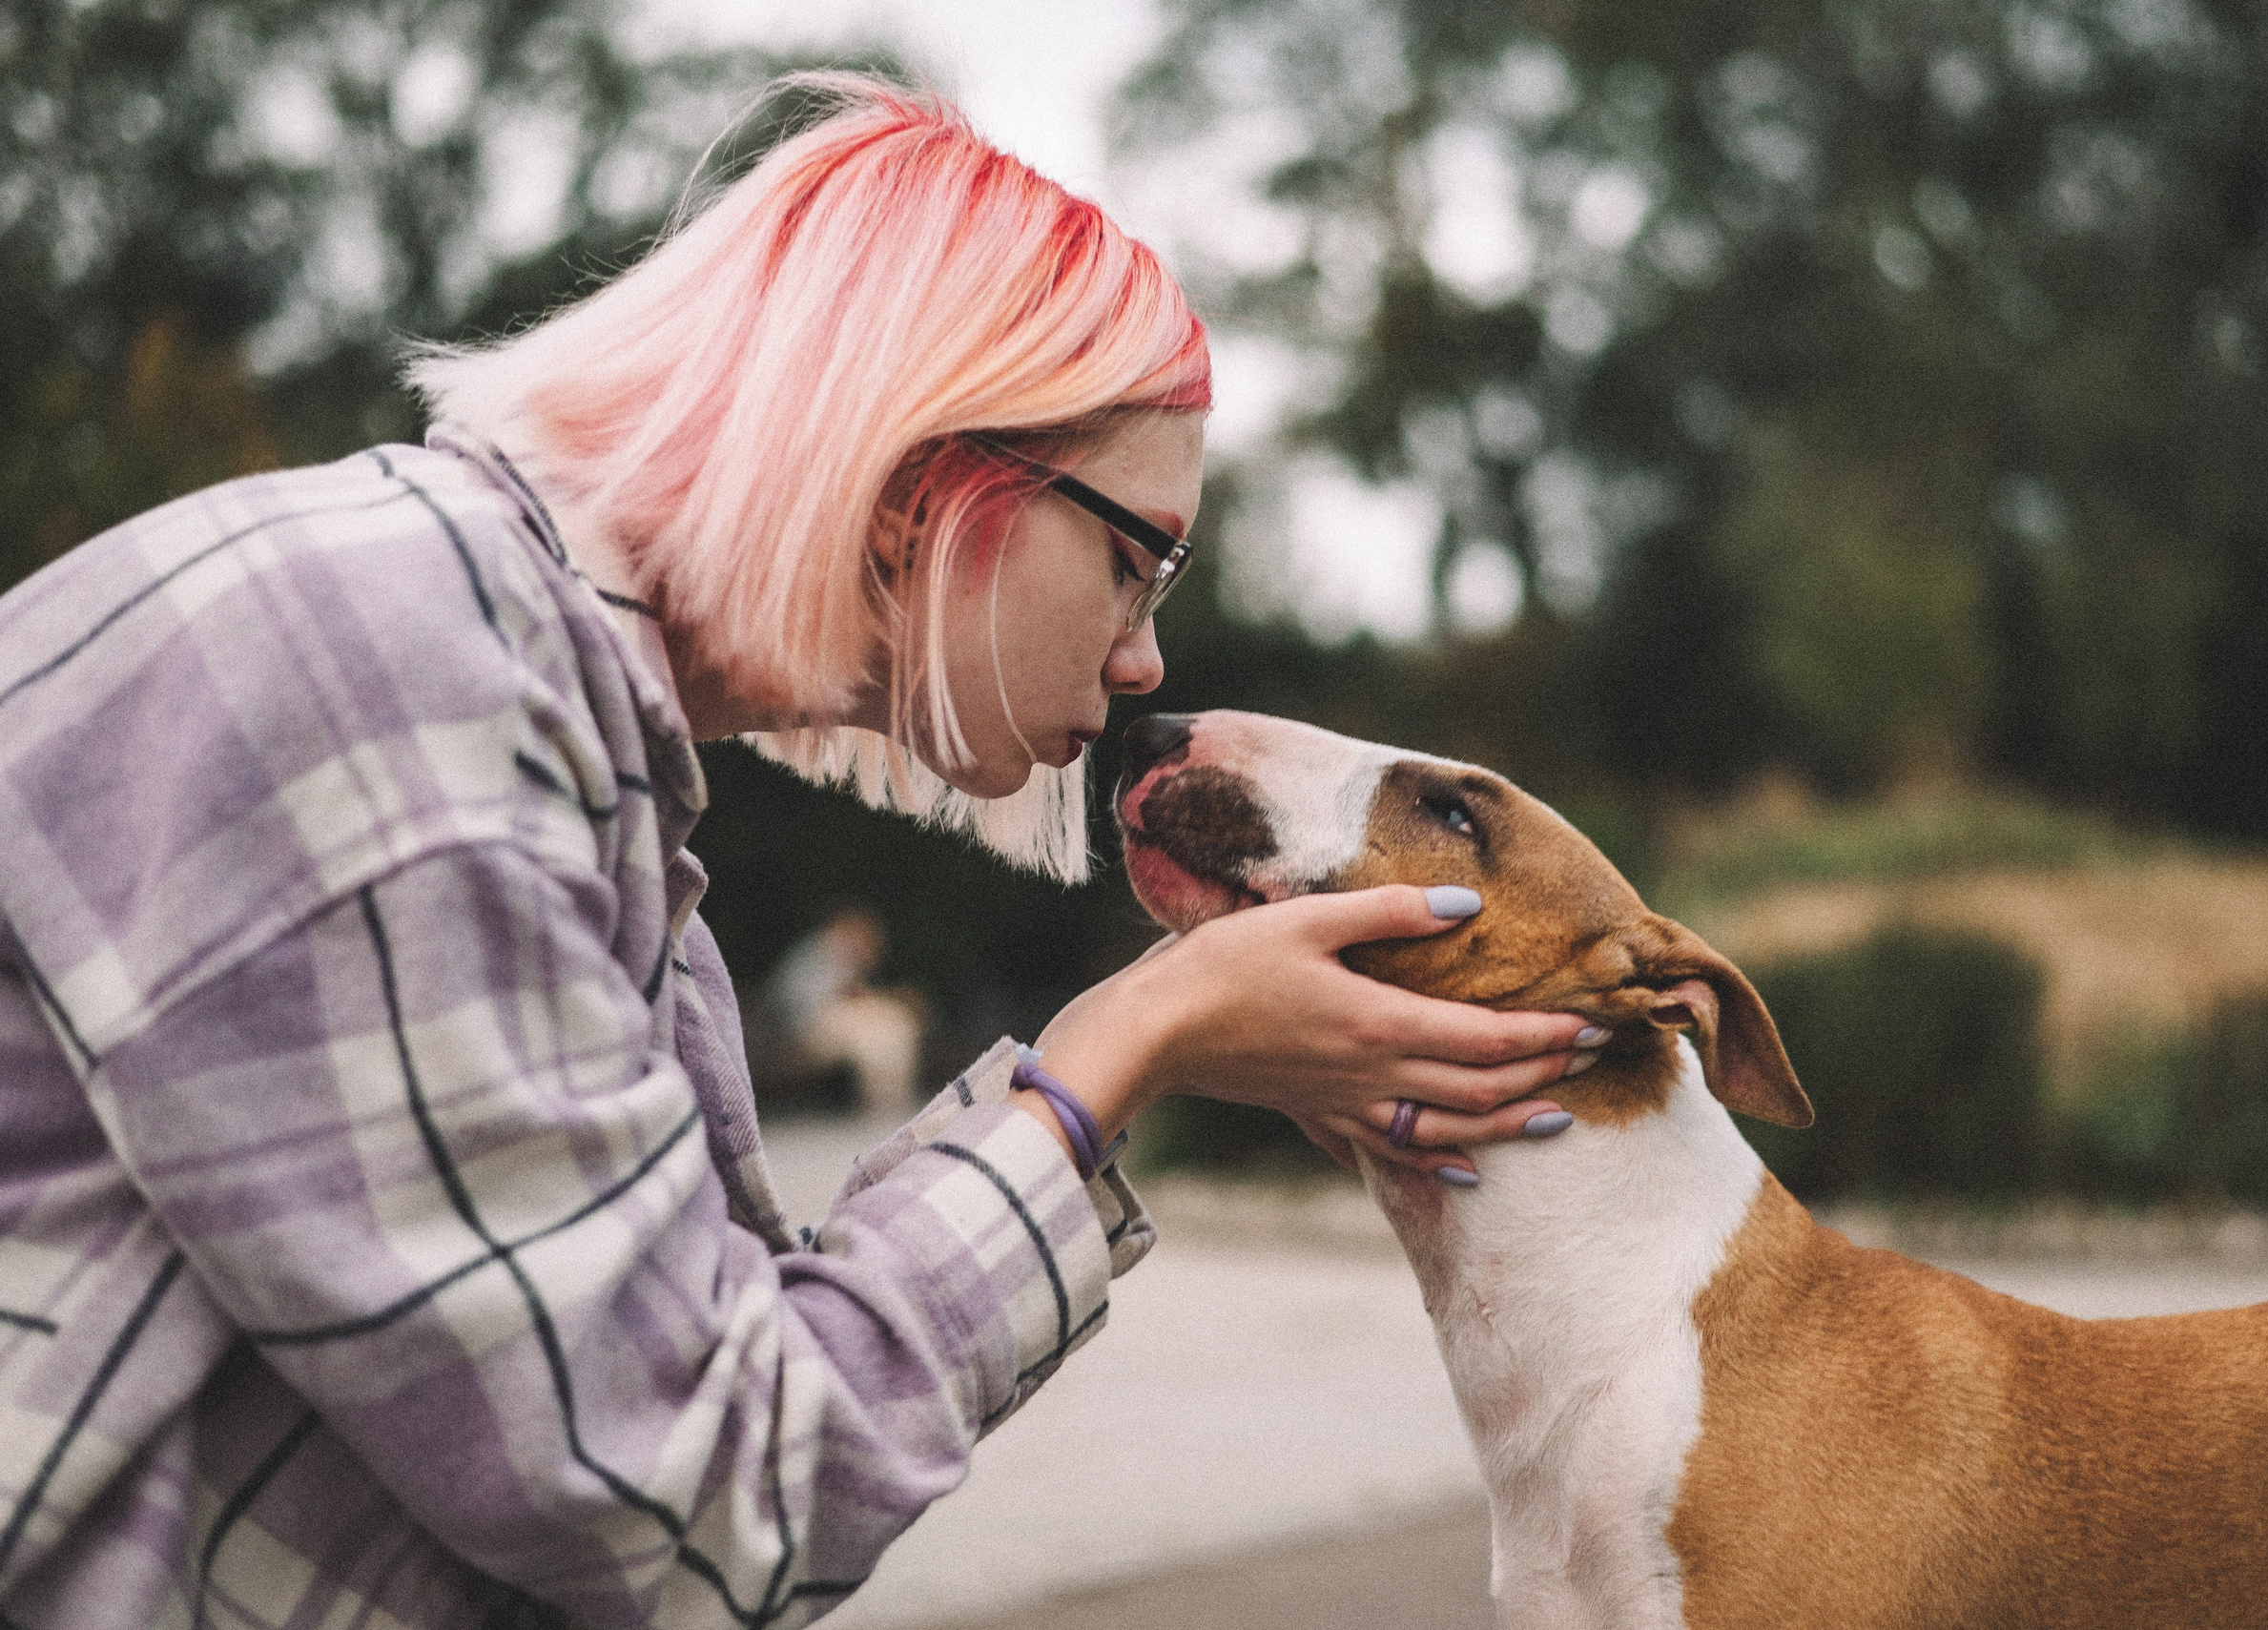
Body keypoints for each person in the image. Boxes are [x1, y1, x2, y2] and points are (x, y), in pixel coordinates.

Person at [0, 75, 1597, 1630]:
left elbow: (689, 1385)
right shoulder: (395, 681)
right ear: (924, 484)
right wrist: (1128, 1042)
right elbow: (700, 1500)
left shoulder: (558, 762)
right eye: (1135, 562)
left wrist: (1125, 1057)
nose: (1142, 664)